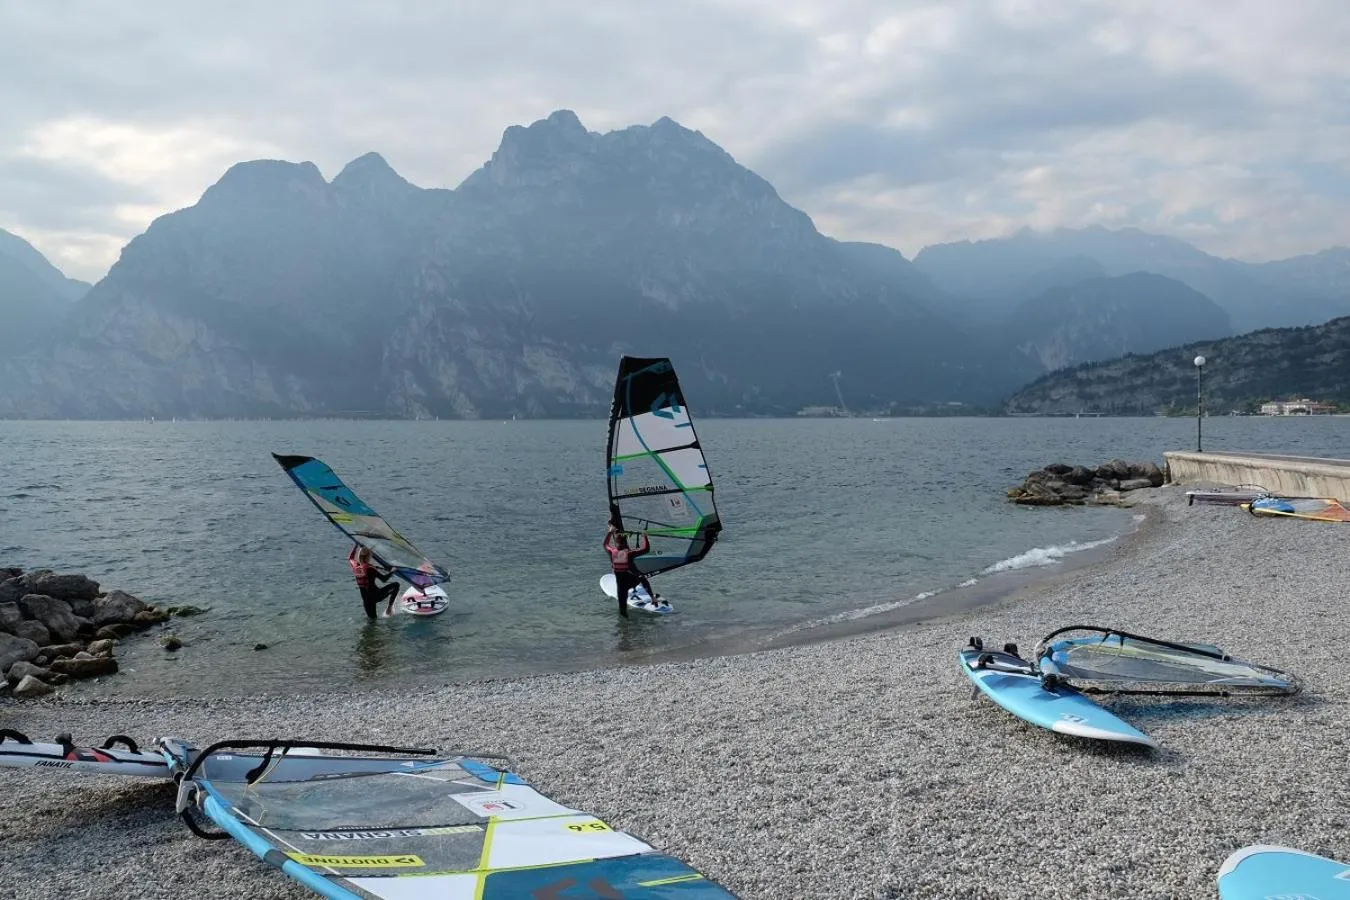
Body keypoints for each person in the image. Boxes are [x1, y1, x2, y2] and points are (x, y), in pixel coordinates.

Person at [603, 522, 649, 618]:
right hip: (631, 581)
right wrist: (644, 536)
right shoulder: (629, 554)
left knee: (623, 612)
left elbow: (605, 544)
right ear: (625, 543)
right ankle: (637, 590)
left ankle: (625, 626)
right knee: (641, 577)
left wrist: (610, 532)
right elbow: (646, 549)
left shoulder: (612, 552)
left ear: (616, 543)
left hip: (620, 587)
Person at [348, 545, 398, 620]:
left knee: (372, 621)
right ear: (368, 557)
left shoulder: (355, 567)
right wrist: (392, 571)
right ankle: (389, 608)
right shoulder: (370, 568)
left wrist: (356, 546)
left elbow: (350, 558)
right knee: (396, 585)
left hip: (366, 601)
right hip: (377, 595)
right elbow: (384, 579)